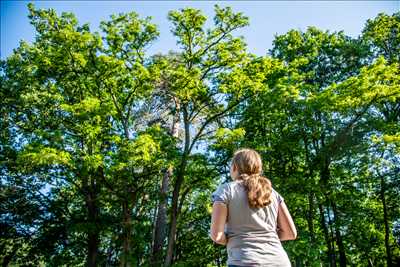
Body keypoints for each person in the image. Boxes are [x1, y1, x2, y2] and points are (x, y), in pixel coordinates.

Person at [210, 148, 297, 267]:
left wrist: (235, 239)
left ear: (235, 167)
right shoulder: (272, 193)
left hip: (244, 260)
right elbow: (290, 233)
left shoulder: (226, 190)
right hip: (279, 261)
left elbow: (217, 236)